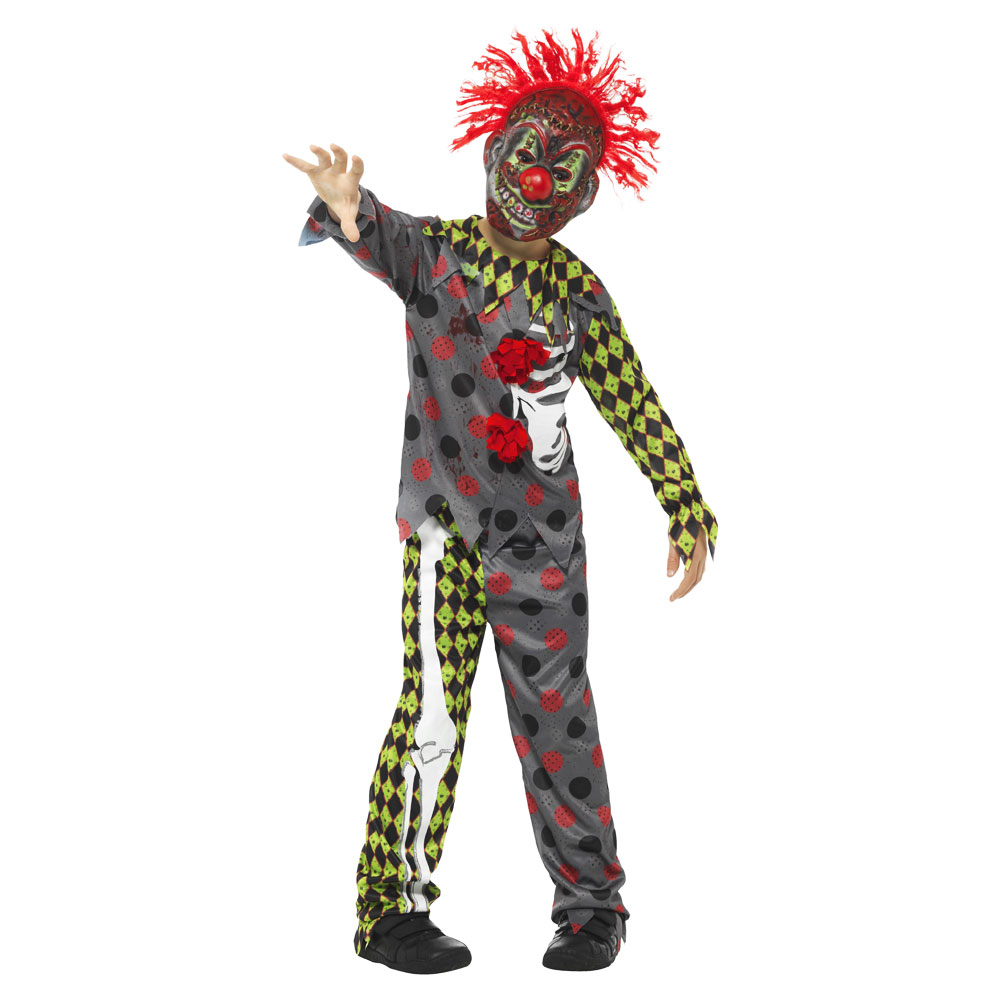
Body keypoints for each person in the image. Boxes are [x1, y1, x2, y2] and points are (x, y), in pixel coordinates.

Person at [284, 28, 718, 974]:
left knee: (559, 719)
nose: (537, 177)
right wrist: (349, 208)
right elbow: (377, 235)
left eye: (566, 168)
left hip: (544, 549)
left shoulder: (579, 292)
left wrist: (683, 499)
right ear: (492, 150)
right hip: (443, 534)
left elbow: (632, 400)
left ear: (586, 196)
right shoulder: (432, 254)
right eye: (527, 151)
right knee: (431, 714)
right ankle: (389, 910)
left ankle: (592, 907)